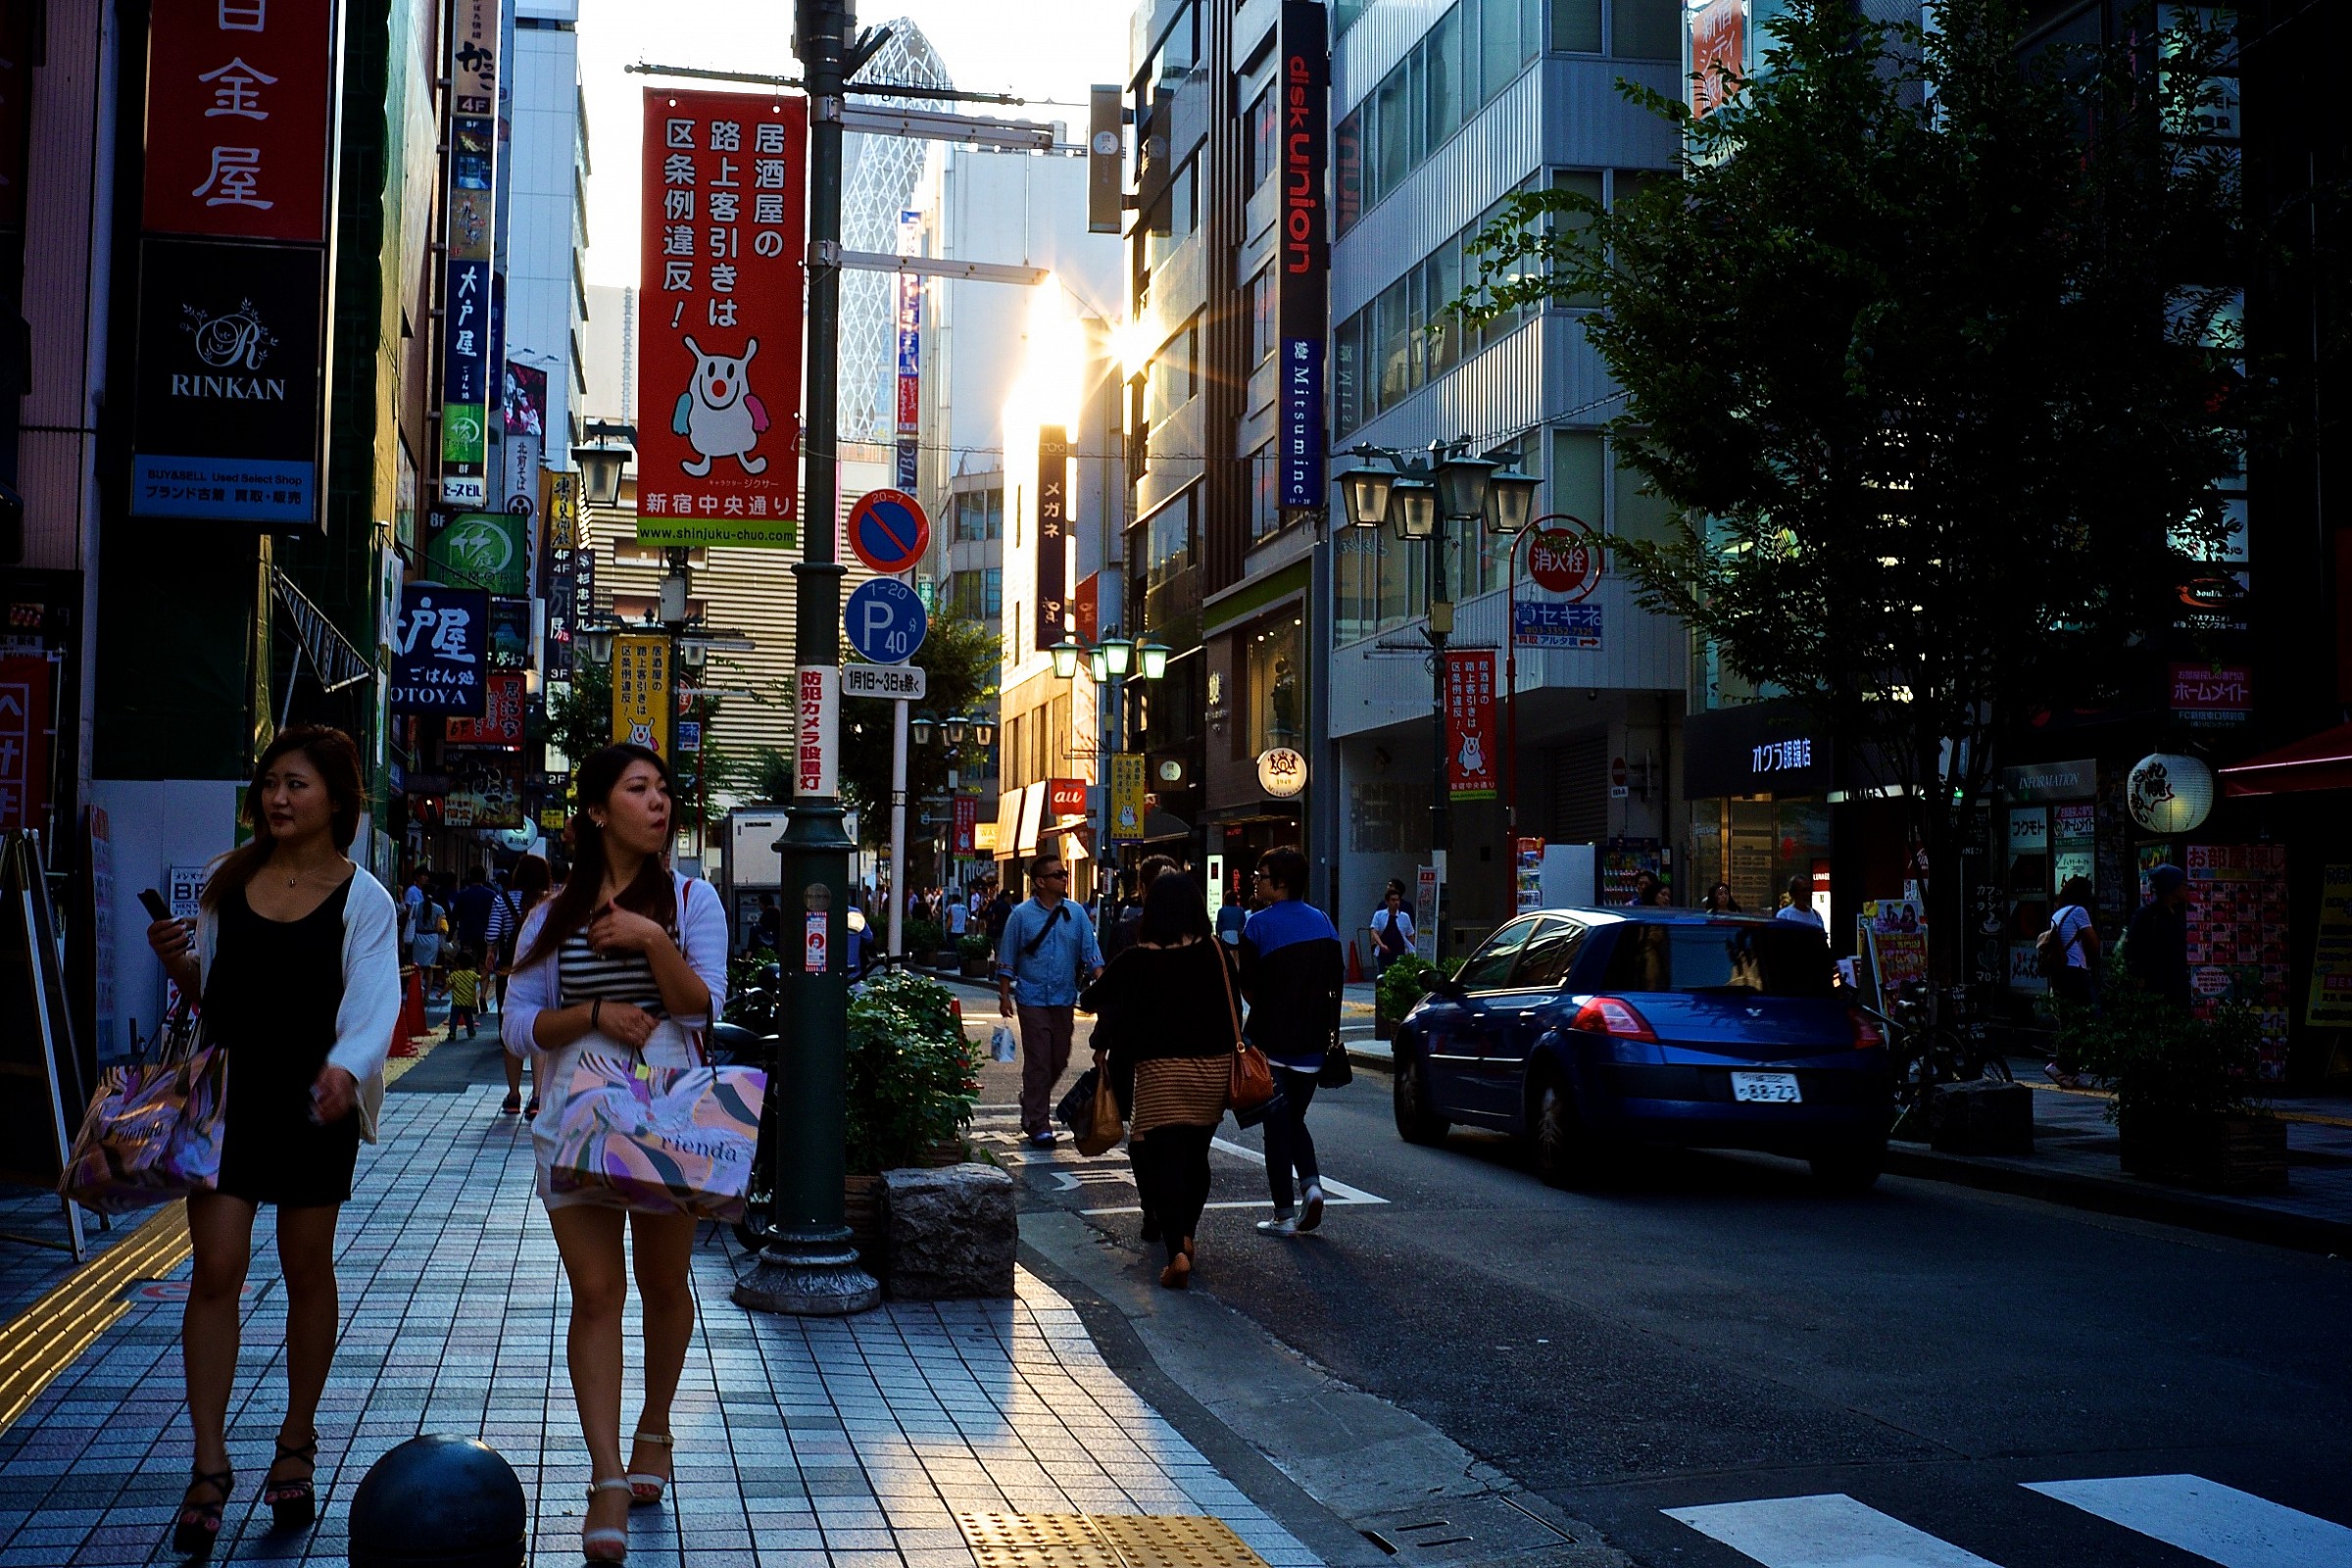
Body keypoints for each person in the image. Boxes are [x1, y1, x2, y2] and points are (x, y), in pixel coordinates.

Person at [142, 726, 401, 1556]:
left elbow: (374, 1003)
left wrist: (347, 1069)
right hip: (227, 1096)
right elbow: (209, 997)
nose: (278, 799)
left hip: (313, 1098)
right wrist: (176, 962)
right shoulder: (228, 879)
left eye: (295, 784)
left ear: (336, 797)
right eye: (269, 784)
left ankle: (296, 1440)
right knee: (215, 1270)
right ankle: (209, 1462)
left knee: (305, 1265)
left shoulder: (365, 898)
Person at [502, 744, 727, 1564]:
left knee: (665, 1282)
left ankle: (655, 1428)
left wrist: (649, 940)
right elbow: (517, 1025)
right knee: (597, 1293)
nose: (658, 802)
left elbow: (705, 1005)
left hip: (668, 1118)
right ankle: (604, 1477)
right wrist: (594, 1011)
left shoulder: (694, 901)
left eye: (664, 790)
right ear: (599, 810)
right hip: (578, 1122)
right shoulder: (547, 916)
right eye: (639, 789)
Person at [1081, 872, 1233, 1289]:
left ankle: (1176, 1253)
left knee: (1165, 1161)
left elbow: (1091, 999)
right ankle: (1187, 1233)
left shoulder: (1136, 958)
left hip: (1160, 1072)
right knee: (1197, 1155)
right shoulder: (1216, 952)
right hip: (1212, 1069)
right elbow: (1234, 1003)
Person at [1238, 846, 1345, 1238]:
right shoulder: (1324, 923)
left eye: (1261, 875)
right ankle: (1312, 1186)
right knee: (1293, 1119)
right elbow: (1337, 983)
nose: (1256, 881)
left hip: (1270, 1046)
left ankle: (1284, 1213)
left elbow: (1248, 986)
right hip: (1315, 1048)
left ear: (1280, 884)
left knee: (1275, 1126)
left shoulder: (1258, 926)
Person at [997, 851, 1104, 1147]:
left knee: (1059, 1058)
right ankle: (1037, 1122)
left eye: (1064, 873)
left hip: (1064, 997)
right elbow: (1007, 957)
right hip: (1031, 997)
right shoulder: (1021, 916)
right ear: (1040, 882)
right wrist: (1005, 995)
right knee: (1039, 1059)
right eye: (1058, 875)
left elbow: (1091, 954)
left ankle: (1031, 1098)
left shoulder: (1077, 913)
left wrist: (1104, 985)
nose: (1064, 878)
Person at [486, 854, 554, 1116]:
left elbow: (492, 934)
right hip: (544, 974)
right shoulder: (551, 901)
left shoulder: (502, 900)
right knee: (540, 1032)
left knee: (510, 1032)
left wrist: (490, 952)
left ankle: (514, 1095)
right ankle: (537, 1097)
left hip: (509, 973)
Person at [2127, 863, 2192, 1010]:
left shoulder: (2179, 913)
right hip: (2156, 988)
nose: (2187, 888)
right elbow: (2132, 950)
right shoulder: (2147, 915)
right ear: (2171, 886)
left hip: (2177, 987)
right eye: (2183, 884)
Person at [2047, 876, 2101, 1007]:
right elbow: (2094, 945)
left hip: (2059, 972)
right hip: (2076, 970)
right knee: (2092, 1012)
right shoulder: (2079, 911)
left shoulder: (2057, 914)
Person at [452, 865, 497, 970]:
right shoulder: (491, 895)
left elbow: (454, 916)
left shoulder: (462, 895)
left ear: (470, 877)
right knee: (484, 964)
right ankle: (483, 986)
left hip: (466, 935)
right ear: (484, 877)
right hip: (485, 936)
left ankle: (467, 985)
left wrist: (450, 935)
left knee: (466, 965)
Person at [1369, 880, 1415, 974]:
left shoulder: (1405, 915)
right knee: (1382, 976)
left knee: (1398, 975)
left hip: (1399, 951)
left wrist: (1408, 950)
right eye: (1393, 900)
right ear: (1387, 901)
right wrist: (1378, 945)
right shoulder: (1379, 913)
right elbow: (1374, 931)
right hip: (1383, 951)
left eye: (1397, 900)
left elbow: (1411, 934)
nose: (1396, 903)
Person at [448, 957, 483, 1039]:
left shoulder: (454, 975)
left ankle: (452, 1033)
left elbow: (448, 985)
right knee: (468, 1018)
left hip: (456, 1003)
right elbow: (481, 978)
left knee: (453, 1018)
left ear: (457, 964)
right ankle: (471, 1031)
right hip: (468, 1002)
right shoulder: (472, 974)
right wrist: (487, 972)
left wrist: (441, 993)